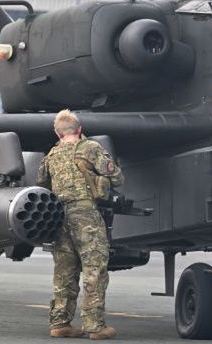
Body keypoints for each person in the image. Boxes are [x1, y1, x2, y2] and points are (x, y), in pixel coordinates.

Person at [38, 110, 123, 340]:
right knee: (94, 269)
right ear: (79, 129)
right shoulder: (91, 148)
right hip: (85, 215)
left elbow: (41, 183)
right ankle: (95, 326)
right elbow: (117, 177)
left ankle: (60, 323)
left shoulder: (51, 155)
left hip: (59, 217)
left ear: (58, 133)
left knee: (64, 271)